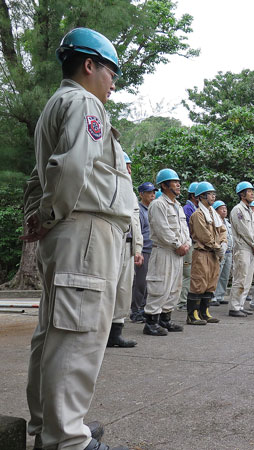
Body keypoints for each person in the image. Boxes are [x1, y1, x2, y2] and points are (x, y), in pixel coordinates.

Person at [21, 27, 130, 450]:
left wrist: (39, 216)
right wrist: (50, 214)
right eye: (111, 71)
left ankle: (49, 425)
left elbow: (40, 174)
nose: (113, 82)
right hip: (83, 229)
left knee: (54, 330)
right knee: (78, 332)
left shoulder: (58, 104)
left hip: (68, 230)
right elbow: (69, 169)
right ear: (90, 65)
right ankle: (67, 440)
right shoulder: (84, 102)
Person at [143, 168, 191, 336]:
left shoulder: (177, 206)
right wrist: (178, 244)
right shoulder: (158, 205)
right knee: (160, 285)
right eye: (174, 181)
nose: (178, 184)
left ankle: (165, 319)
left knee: (174, 287)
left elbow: (184, 228)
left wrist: (187, 243)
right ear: (164, 185)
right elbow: (162, 229)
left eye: (178, 181)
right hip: (164, 251)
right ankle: (151, 322)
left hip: (177, 252)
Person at [107, 152, 143, 348]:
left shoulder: (130, 193)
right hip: (112, 245)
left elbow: (135, 223)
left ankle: (116, 332)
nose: (129, 169)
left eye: (130, 166)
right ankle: (102, 332)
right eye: (125, 165)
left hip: (128, 246)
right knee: (109, 288)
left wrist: (137, 248)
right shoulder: (109, 186)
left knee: (123, 290)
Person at [186, 182, 227, 324]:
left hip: (213, 253)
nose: (213, 196)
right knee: (199, 282)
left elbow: (222, 230)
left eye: (213, 193)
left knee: (211, 282)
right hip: (202, 252)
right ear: (202, 196)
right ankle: (193, 315)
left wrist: (223, 243)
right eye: (210, 194)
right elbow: (203, 235)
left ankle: (205, 312)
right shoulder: (198, 215)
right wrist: (217, 246)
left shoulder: (213, 213)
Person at [229, 181, 254, 317]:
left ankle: (241, 304)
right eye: (249, 191)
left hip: (252, 248)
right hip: (242, 248)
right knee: (240, 278)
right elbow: (243, 230)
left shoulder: (250, 211)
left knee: (248, 279)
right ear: (242, 194)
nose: (252, 193)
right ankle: (234, 307)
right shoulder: (238, 210)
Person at [130, 181, 157, 323]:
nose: (152, 194)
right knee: (140, 283)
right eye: (149, 192)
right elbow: (138, 231)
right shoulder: (139, 210)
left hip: (153, 250)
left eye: (153, 192)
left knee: (149, 283)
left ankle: (144, 309)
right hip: (144, 250)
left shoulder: (152, 209)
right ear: (141, 194)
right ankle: (135, 311)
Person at [177, 182, 199, 310]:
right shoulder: (187, 209)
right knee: (187, 274)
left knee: (192, 274)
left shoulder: (194, 208)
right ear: (193, 196)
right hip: (188, 244)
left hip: (193, 244)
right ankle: (182, 301)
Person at [213, 200, 233, 306]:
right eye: (221, 208)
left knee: (225, 275)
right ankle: (212, 297)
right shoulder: (215, 222)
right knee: (217, 273)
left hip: (229, 251)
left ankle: (220, 295)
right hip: (220, 251)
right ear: (216, 211)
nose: (224, 210)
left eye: (225, 208)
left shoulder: (227, 222)